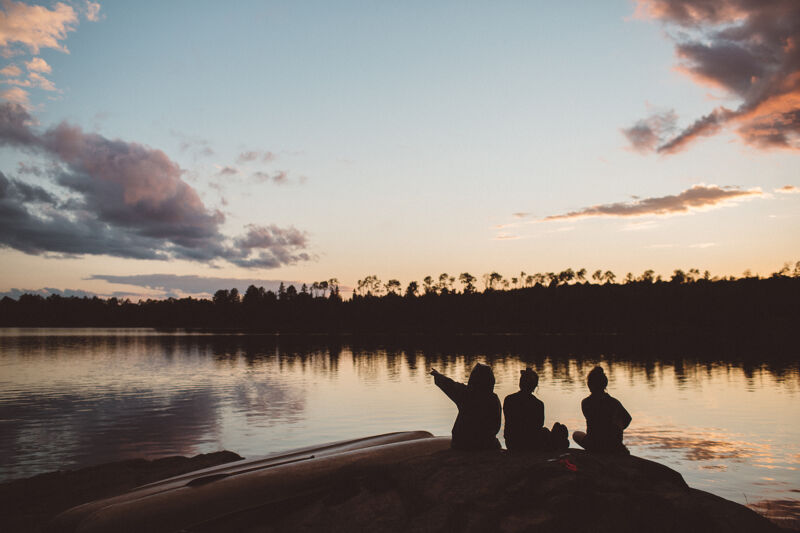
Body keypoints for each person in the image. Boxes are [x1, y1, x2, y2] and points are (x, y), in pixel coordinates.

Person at [430, 363, 501, 450]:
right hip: (484, 443)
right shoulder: (493, 399)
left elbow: (449, 384)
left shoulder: (465, 393)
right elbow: (496, 426)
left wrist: (438, 375)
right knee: (496, 444)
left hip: (462, 442)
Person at [503, 367, 569, 451]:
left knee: (550, 430)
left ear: (520, 383)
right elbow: (538, 426)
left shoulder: (508, 399)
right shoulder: (538, 404)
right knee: (557, 430)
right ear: (534, 387)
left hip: (511, 443)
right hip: (531, 444)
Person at [572, 366, 631, 454]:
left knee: (576, 434)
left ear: (589, 384)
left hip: (594, 444)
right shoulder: (614, 402)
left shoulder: (585, 403)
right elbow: (628, 419)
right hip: (613, 444)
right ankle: (615, 446)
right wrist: (618, 428)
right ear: (604, 384)